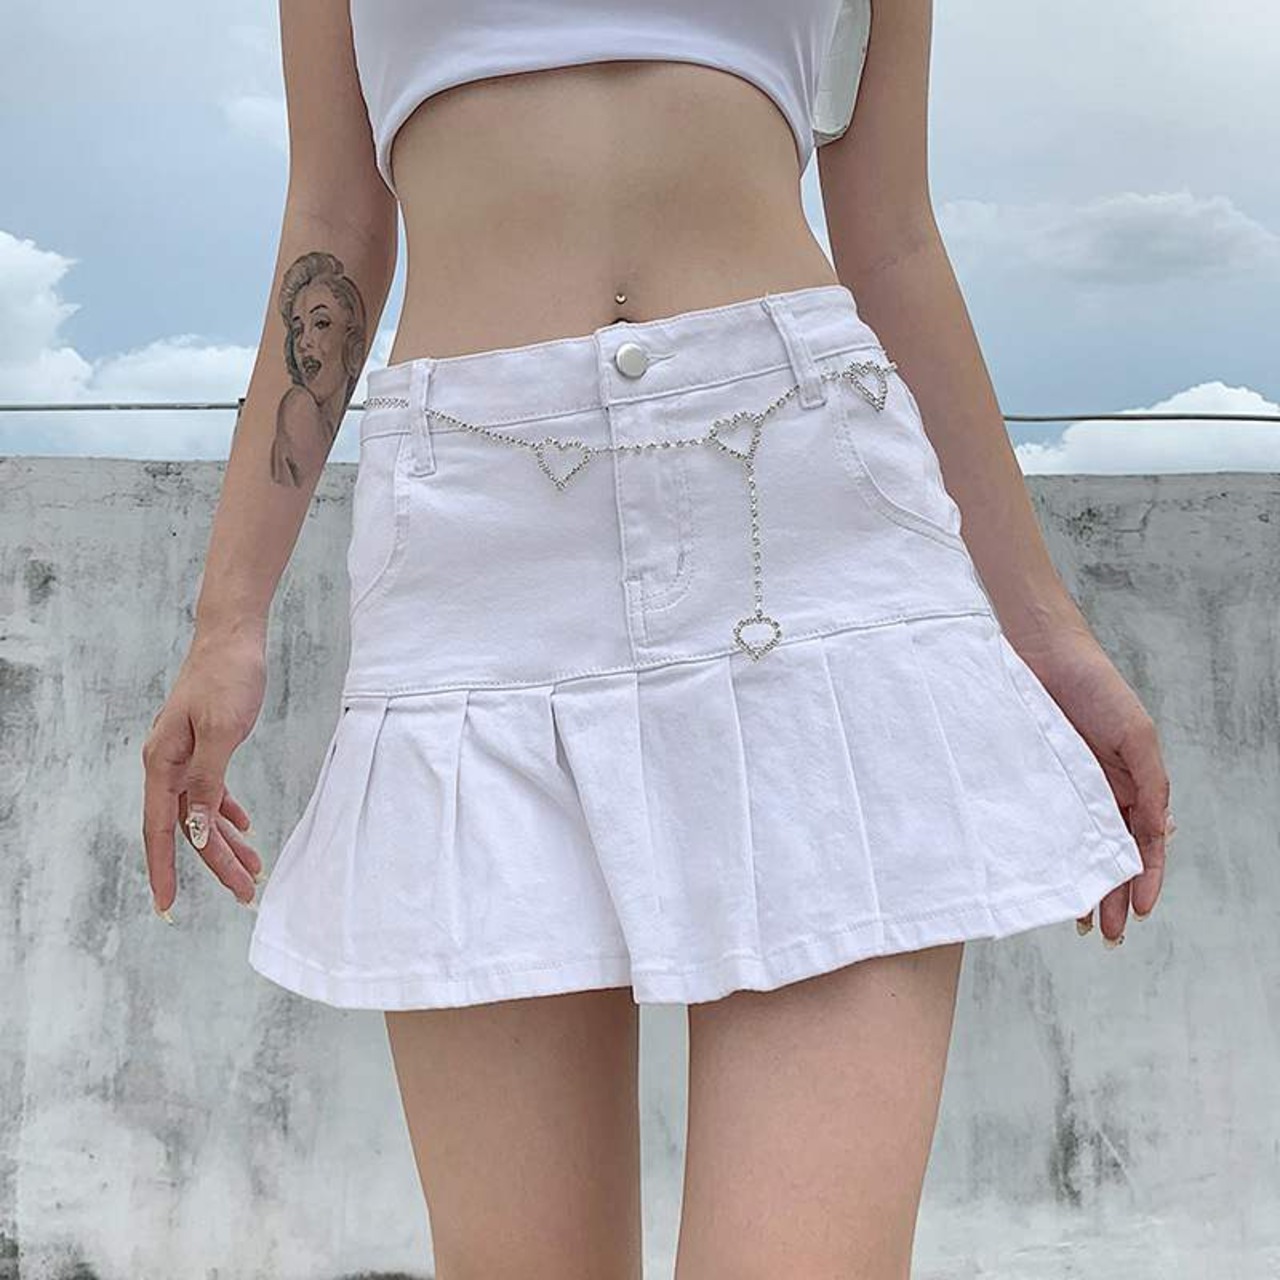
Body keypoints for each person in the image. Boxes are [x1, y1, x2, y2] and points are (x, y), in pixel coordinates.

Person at [141, 1, 1173, 1274]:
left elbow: (892, 236)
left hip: (802, 512)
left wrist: (1048, 635)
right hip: (477, 542)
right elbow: (335, 222)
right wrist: (228, 617)